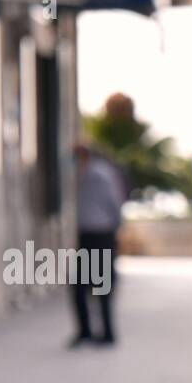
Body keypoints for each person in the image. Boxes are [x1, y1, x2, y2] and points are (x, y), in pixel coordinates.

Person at [71, 144, 127, 347]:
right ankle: (91, 332)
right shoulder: (90, 173)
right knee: (84, 286)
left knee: (97, 286)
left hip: (100, 234)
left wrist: (114, 229)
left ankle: (104, 333)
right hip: (92, 234)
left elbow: (114, 202)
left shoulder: (99, 174)